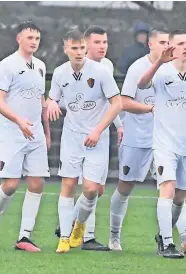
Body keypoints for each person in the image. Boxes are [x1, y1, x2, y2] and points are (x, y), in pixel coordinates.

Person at [109, 28, 186, 254]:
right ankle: (114, 236)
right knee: (125, 186)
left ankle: (184, 236)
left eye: (170, 42)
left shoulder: (181, 71)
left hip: (165, 140)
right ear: (151, 45)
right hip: (139, 137)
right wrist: (150, 108)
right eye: (163, 42)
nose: (169, 47)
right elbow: (123, 102)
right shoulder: (138, 68)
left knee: (171, 188)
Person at [136, 29, 186, 259]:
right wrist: (158, 63)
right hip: (164, 144)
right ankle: (169, 244)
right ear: (170, 46)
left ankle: (163, 235)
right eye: (180, 43)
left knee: (179, 198)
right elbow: (142, 85)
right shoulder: (161, 71)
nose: (185, 47)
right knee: (168, 189)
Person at [45, 29, 122, 254]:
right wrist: (50, 103)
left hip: (96, 139)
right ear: (66, 49)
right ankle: (65, 238)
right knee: (68, 185)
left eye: (81, 48)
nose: (78, 52)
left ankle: (79, 225)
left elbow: (116, 103)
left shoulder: (100, 72)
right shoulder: (60, 73)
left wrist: (98, 130)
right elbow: (53, 98)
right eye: (74, 48)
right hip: (71, 138)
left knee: (91, 190)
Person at [0, 21, 51, 253]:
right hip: (13, 133)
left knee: (37, 181)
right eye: (30, 37)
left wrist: (46, 132)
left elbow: (41, 102)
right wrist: (19, 120)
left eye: (37, 38)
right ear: (19, 39)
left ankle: (24, 237)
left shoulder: (41, 66)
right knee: (10, 184)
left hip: (36, 134)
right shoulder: (7, 65)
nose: (34, 42)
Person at [71, 25, 124, 251]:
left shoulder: (107, 66)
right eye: (97, 42)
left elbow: (111, 101)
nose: (102, 46)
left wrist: (119, 125)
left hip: (101, 134)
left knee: (98, 190)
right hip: (80, 136)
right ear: (86, 43)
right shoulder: (76, 67)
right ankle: (87, 236)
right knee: (89, 188)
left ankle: (69, 221)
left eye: (105, 42)